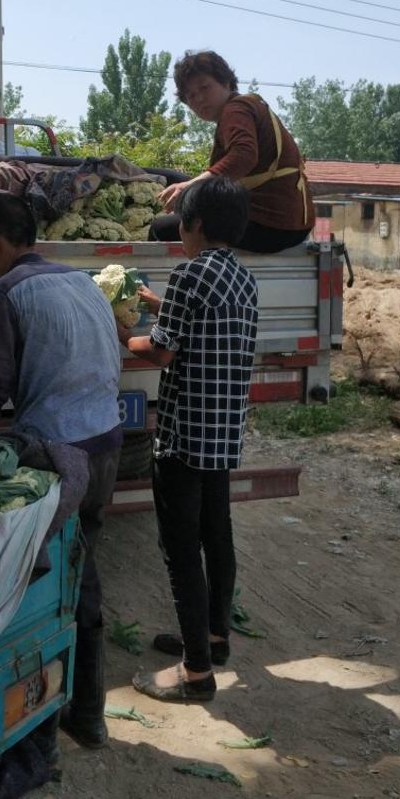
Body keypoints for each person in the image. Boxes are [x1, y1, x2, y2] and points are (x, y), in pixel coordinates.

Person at [0, 192, 122, 749]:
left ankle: (37, 721)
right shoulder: (80, 280)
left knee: (38, 584)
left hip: (60, 459)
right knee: (81, 572)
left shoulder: (7, 291)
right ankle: (84, 710)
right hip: (107, 445)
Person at [118, 176, 258, 702]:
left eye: (182, 220)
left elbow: (160, 352)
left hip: (182, 438)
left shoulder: (190, 273)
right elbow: (198, 325)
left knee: (180, 549)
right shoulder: (239, 277)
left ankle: (196, 672)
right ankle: (214, 636)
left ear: (193, 224)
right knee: (215, 535)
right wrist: (158, 303)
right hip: (222, 433)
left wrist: (117, 330)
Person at [150, 50, 314, 253]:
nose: (199, 98)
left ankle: (190, 281)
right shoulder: (246, 105)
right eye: (191, 95)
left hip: (272, 225)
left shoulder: (235, 109)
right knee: (173, 178)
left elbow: (244, 155)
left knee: (160, 228)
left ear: (226, 83)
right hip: (292, 225)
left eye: (205, 87)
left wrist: (190, 186)